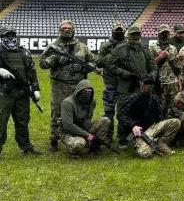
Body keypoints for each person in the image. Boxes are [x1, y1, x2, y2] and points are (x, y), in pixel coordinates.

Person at [39, 20, 96, 152]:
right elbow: (42, 64)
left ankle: (79, 135)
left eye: (69, 28)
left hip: (78, 86)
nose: (66, 30)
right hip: (60, 85)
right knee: (57, 111)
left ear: (73, 29)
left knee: (80, 111)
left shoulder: (82, 47)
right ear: (59, 30)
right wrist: (55, 59)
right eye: (64, 28)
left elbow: (93, 62)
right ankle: (54, 138)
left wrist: (83, 68)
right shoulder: (53, 46)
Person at [107, 25, 157, 145]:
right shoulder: (120, 49)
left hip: (142, 87)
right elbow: (110, 65)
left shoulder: (145, 49)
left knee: (141, 110)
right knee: (123, 110)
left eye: (137, 34)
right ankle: (122, 138)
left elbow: (153, 66)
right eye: (133, 34)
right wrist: (125, 73)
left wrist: (150, 77)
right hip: (126, 86)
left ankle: (139, 135)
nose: (135, 36)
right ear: (128, 35)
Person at [0, 27, 42, 156]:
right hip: (3, 93)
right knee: (1, 122)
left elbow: (32, 72)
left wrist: (35, 89)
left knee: (22, 121)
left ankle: (26, 147)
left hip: (22, 93)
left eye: (13, 35)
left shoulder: (24, 52)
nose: (11, 38)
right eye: (7, 36)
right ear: (2, 38)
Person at [117, 77, 181, 158]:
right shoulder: (132, 99)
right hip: (138, 133)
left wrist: (161, 130)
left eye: (150, 85)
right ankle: (149, 145)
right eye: (146, 84)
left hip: (152, 128)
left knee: (176, 122)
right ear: (141, 85)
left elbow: (159, 117)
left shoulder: (155, 99)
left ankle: (161, 143)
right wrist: (133, 126)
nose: (148, 87)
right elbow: (121, 115)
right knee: (145, 153)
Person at [59, 79, 112, 157]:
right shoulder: (67, 103)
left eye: (89, 92)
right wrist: (87, 135)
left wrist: (92, 135)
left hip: (85, 129)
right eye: (85, 91)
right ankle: (73, 152)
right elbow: (68, 125)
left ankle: (94, 146)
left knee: (105, 120)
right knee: (79, 144)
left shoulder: (91, 102)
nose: (87, 94)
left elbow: (88, 119)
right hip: (69, 133)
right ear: (79, 91)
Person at [95, 20, 126, 121]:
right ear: (113, 31)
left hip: (125, 81)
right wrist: (112, 55)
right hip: (110, 82)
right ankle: (107, 133)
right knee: (108, 111)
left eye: (121, 30)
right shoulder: (105, 45)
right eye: (117, 30)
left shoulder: (128, 44)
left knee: (124, 110)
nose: (119, 32)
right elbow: (98, 62)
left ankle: (123, 134)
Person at [149, 24, 180, 117]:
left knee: (173, 105)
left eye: (166, 33)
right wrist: (160, 57)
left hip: (172, 81)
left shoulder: (173, 48)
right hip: (159, 81)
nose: (165, 35)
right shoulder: (152, 47)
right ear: (158, 34)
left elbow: (177, 66)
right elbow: (150, 65)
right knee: (159, 105)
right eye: (163, 33)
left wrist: (179, 79)